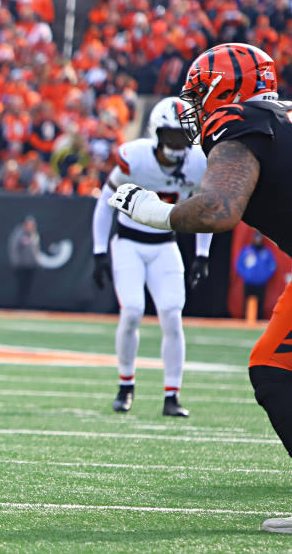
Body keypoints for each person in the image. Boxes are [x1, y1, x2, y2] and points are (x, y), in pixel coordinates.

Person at [110, 42, 292, 535]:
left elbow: (219, 210)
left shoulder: (240, 119)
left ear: (224, 88)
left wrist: (156, 212)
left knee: (274, 369)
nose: (195, 111)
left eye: (200, 96)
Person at [91, 97, 212, 418]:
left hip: (165, 244)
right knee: (131, 311)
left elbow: (206, 207)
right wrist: (99, 250)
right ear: (156, 134)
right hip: (129, 242)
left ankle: (172, 395)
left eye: (183, 136)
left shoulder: (197, 162)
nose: (177, 144)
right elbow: (105, 202)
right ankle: (125, 385)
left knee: (172, 316)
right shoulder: (137, 159)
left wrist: (202, 254)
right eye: (170, 136)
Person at [235, 231, 277, 321]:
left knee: (260, 303)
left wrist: (264, 276)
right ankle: (246, 319)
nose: (257, 241)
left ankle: (259, 320)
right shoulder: (247, 250)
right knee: (246, 301)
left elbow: (272, 266)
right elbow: (239, 265)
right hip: (248, 281)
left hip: (261, 282)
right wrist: (246, 275)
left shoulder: (266, 252)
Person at [7, 215, 40, 307]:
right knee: (21, 286)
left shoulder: (34, 234)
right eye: (29, 224)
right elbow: (13, 248)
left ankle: (25, 305)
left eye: (32, 224)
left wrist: (36, 261)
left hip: (31, 265)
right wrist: (16, 262)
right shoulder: (19, 233)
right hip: (21, 265)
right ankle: (19, 305)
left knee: (28, 286)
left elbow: (36, 250)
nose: (31, 226)